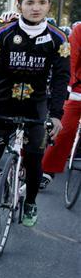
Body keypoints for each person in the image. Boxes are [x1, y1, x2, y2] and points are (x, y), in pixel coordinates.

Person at [0, 0, 69, 226]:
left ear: (48, 5)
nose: (35, 7)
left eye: (42, 2)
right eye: (30, 2)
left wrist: (57, 114)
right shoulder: (3, 34)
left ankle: (30, 203)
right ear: (20, 5)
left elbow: (61, 78)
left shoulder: (58, 39)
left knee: (34, 160)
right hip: (4, 104)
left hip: (36, 105)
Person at [41, 21, 81, 189]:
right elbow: (71, 59)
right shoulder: (79, 30)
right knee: (64, 128)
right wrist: (68, 86)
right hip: (79, 89)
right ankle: (47, 170)